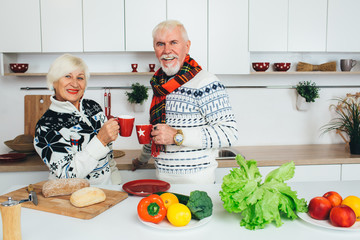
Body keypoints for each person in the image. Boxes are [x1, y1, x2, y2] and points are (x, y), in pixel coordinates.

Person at [132, 20, 239, 184]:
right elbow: (157, 132)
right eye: (160, 44)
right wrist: (142, 159)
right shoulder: (159, 85)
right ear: (155, 48)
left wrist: (177, 136)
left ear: (187, 46)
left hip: (198, 185)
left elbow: (229, 133)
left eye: (173, 42)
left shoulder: (205, 82)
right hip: (163, 183)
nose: (167, 51)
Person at [34, 54, 121, 185]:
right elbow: (67, 175)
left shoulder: (93, 107)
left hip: (106, 194)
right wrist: (100, 140)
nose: (74, 83)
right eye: (67, 76)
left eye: (80, 78)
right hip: (71, 199)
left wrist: (116, 182)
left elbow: (109, 156)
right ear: (54, 82)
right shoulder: (45, 126)